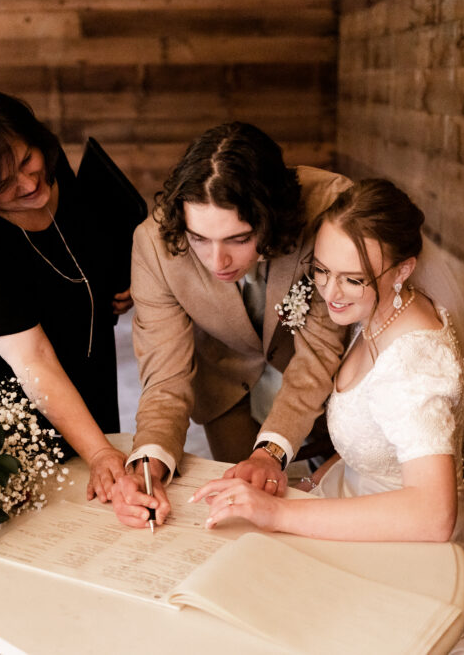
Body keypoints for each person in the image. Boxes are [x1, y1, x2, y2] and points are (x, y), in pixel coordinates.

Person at [191, 179, 464, 653]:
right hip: (349, 504)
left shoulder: (413, 360)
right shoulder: (375, 313)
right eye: (322, 271)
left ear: (404, 270)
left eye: (353, 279)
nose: (330, 293)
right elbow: (371, 446)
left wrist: (281, 511)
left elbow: (434, 515)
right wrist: (306, 486)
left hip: (415, 558)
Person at [111, 121, 352, 528]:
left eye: (238, 239)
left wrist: (271, 451)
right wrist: (147, 463)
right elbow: (164, 374)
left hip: (321, 375)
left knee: (326, 508)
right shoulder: (152, 243)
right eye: (199, 239)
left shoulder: (329, 214)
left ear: (272, 217)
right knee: (241, 519)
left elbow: (320, 350)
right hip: (223, 379)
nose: (216, 261)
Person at [0, 81, 133, 502]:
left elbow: (83, 244)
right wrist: (100, 451)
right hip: (1, 413)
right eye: (1, 184)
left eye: (26, 159)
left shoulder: (50, 170)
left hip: (86, 375)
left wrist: (112, 284)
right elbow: (34, 359)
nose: (28, 183)